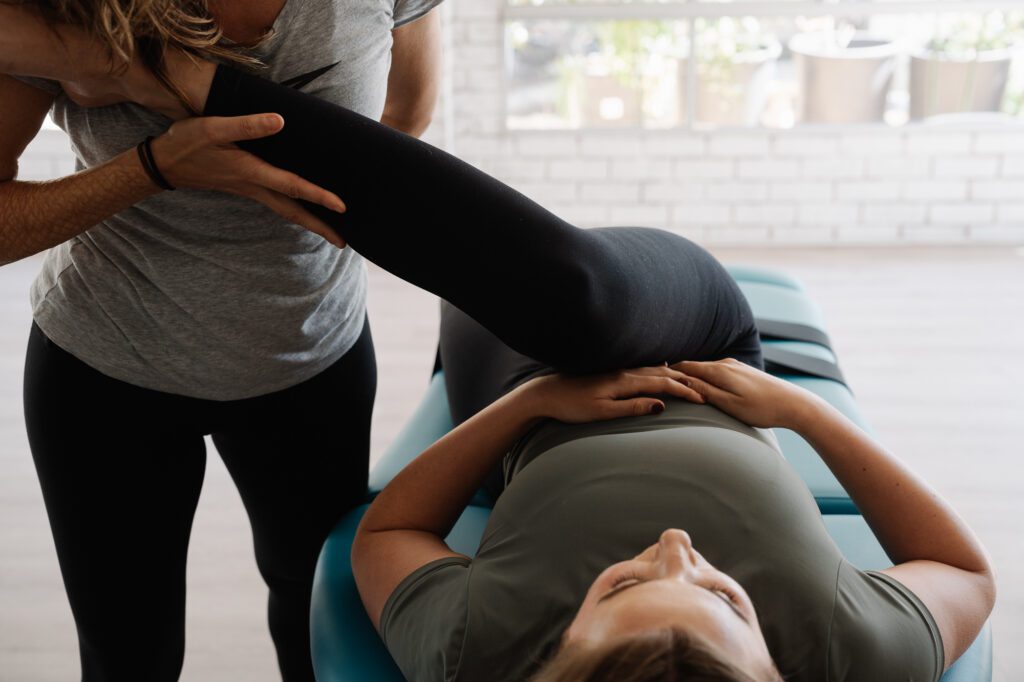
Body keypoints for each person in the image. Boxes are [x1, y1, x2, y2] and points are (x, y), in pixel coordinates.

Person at [4, 14, 995, 682]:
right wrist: (793, 411)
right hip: (702, 347)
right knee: (575, 306)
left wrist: (525, 407)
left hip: (340, 365)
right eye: (718, 592)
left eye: (623, 584)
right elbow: (967, 573)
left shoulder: (482, 643)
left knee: (292, 597)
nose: (673, 551)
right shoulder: (858, 645)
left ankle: (164, 76)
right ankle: (175, 76)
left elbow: (405, 124)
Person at [0, 2, 443, 680]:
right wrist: (153, 167)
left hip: (310, 352)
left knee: (313, 616)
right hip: (103, 367)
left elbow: (404, 120)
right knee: (128, 654)